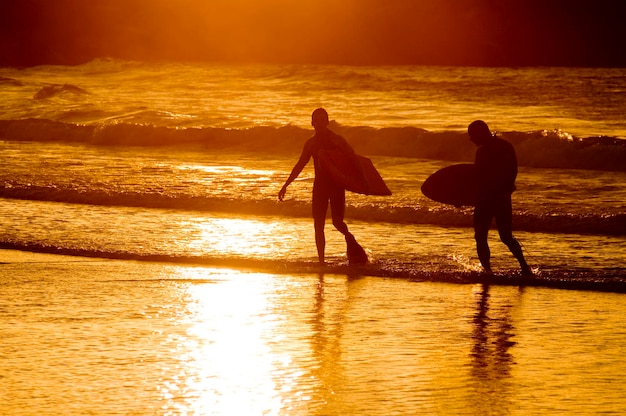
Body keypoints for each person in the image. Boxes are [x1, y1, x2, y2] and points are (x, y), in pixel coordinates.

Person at [278, 108, 367, 265]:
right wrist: (286, 184)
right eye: (315, 119)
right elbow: (300, 164)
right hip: (319, 187)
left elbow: (353, 158)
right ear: (312, 122)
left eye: (322, 119)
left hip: (336, 186)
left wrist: (363, 181)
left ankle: (350, 239)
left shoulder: (337, 140)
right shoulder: (310, 144)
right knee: (318, 225)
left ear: (327, 121)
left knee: (337, 222)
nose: (318, 122)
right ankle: (321, 262)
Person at [468, 120, 532, 275]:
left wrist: (505, 189)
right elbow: (477, 178)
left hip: (500, 198)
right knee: (480, 236)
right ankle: (487, 270)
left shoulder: (504, 147)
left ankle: (524, 267)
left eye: (472, 135)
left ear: (482, 133)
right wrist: (462, 198)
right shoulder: (480, 151)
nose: (471, 139)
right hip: (484, 199)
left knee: (505, 236)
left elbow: (512, 171)